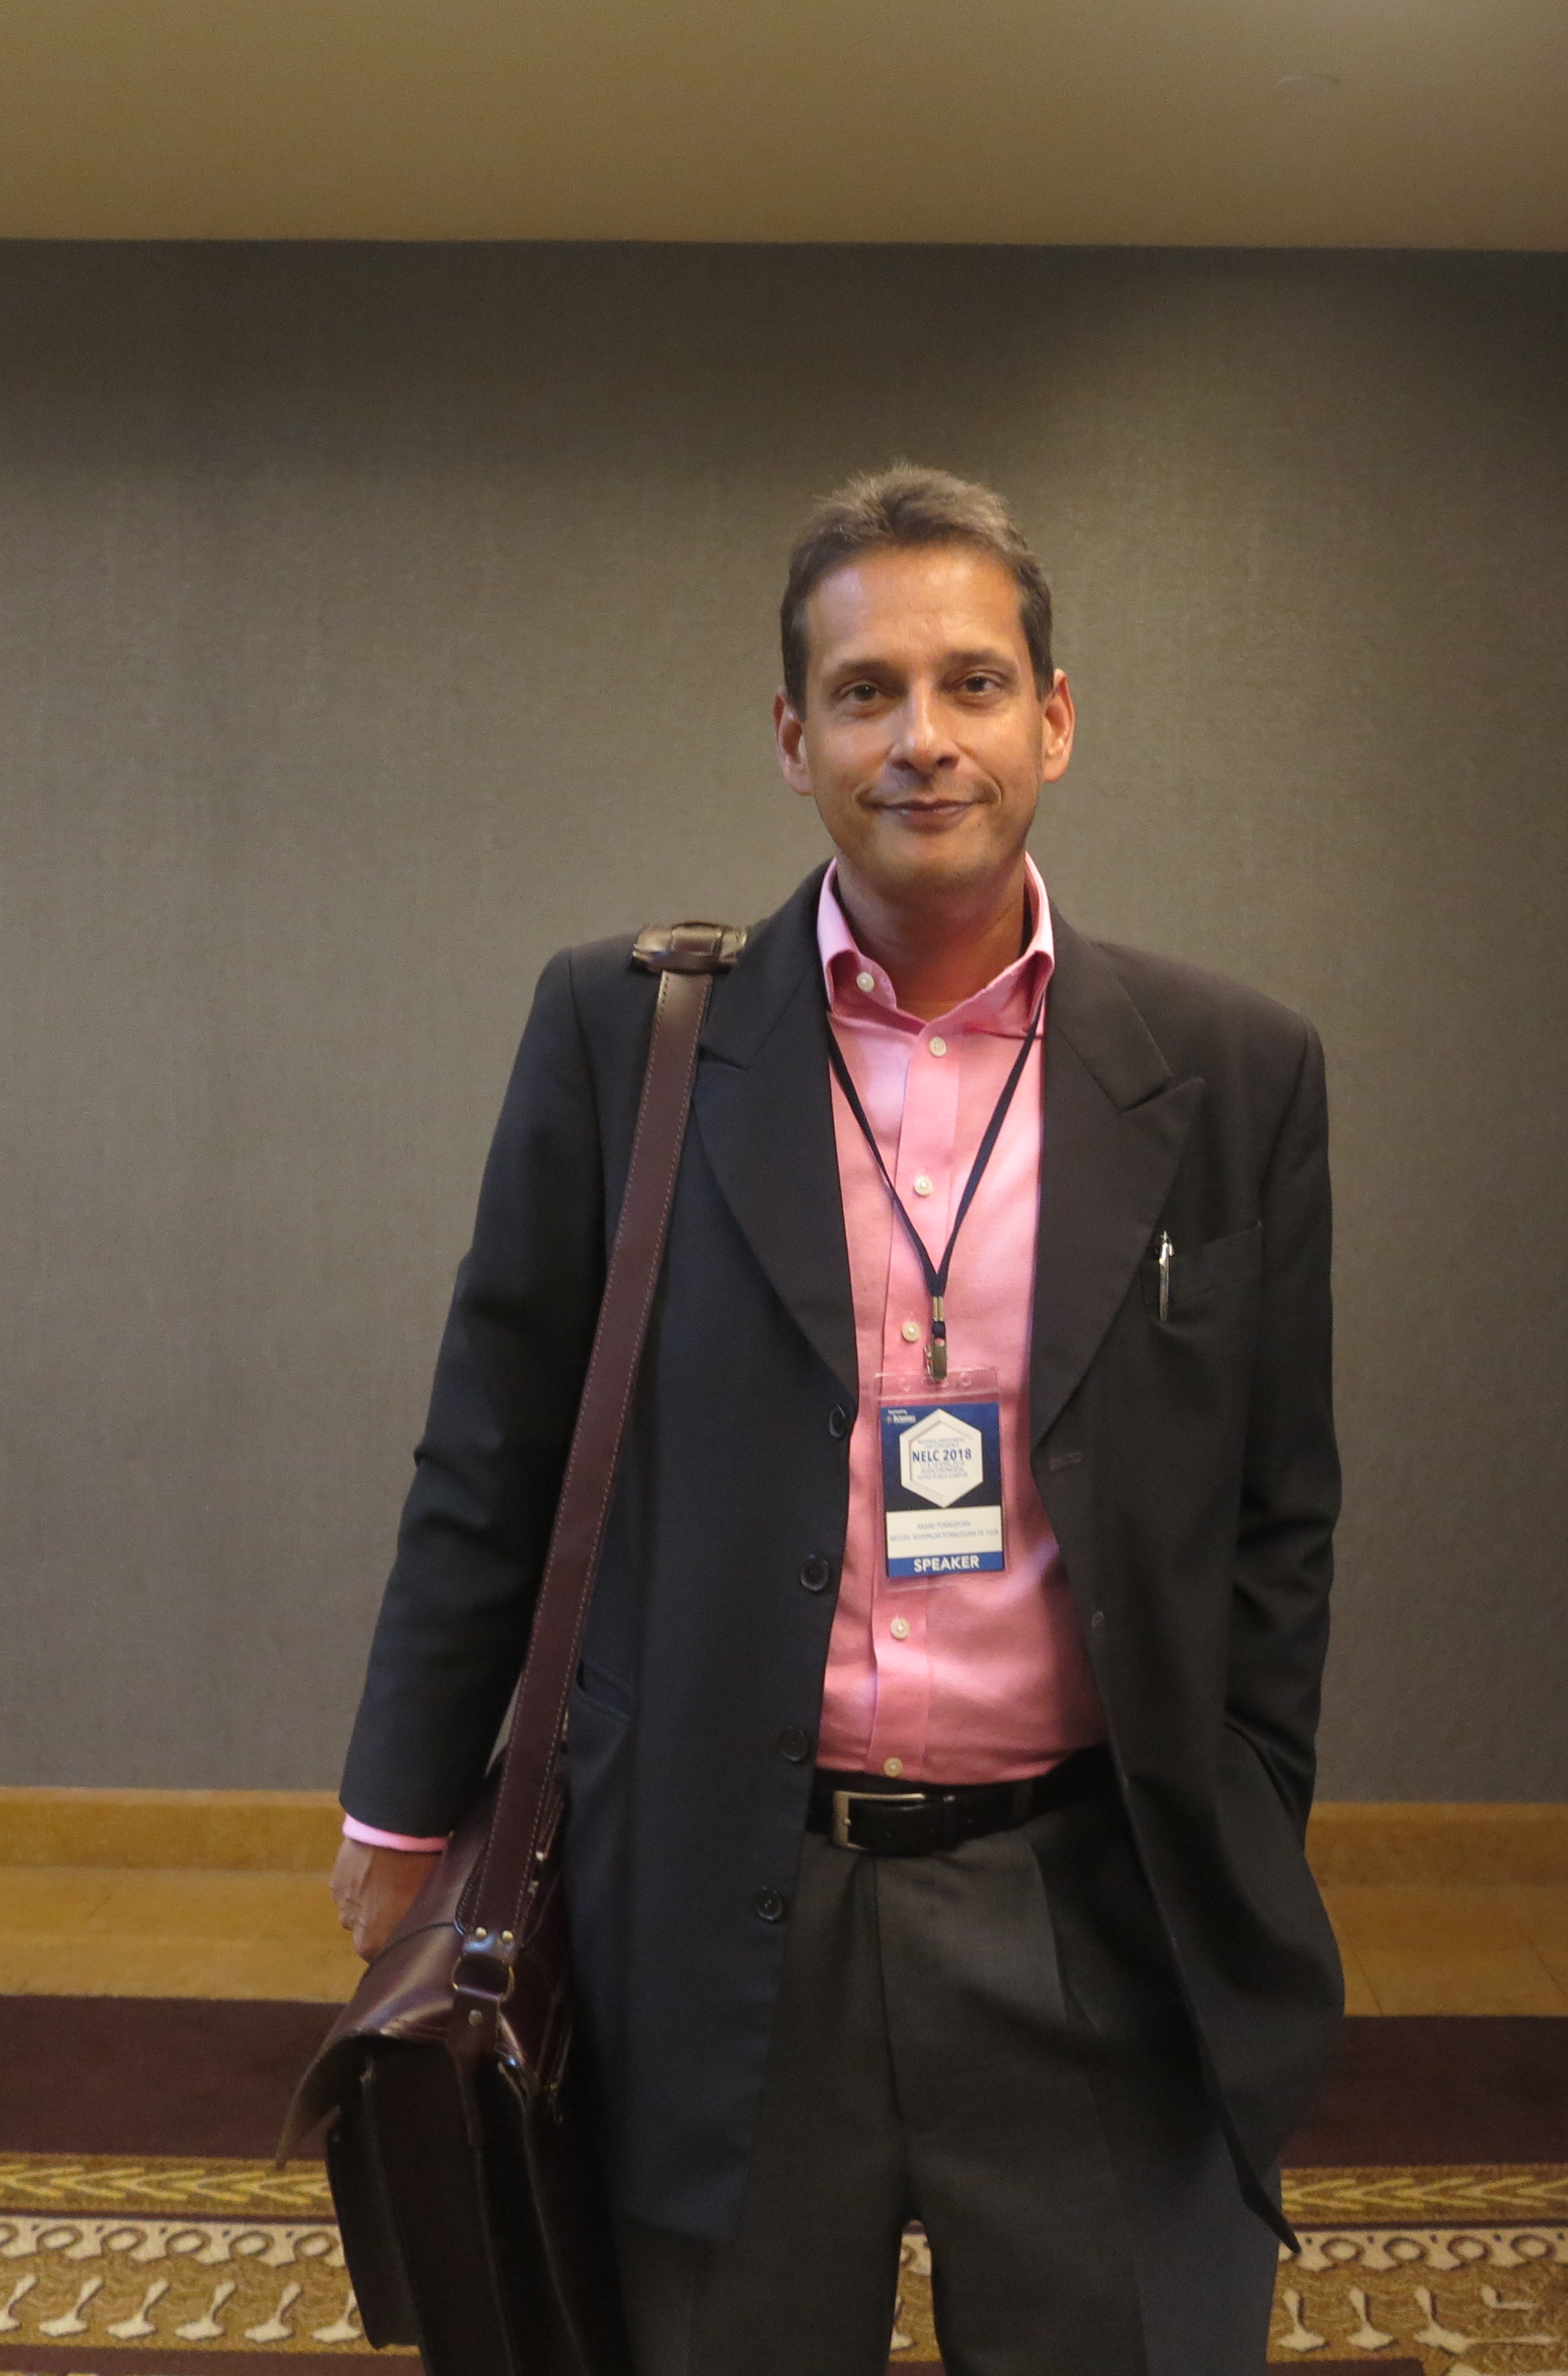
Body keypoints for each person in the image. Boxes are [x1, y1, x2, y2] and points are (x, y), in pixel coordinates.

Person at [328, 466, 1342, 2375]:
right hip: (725, 1897)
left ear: (1056, 718)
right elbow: (496, 1445)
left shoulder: (1234, 1069)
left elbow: (1282, 1506)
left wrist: (1241, 1810)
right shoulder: (627, 1035)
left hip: (1097, 1903)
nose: (922, 737)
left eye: (973, 684)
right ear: (794, 741)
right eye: (866, 692)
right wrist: (406, 1802)